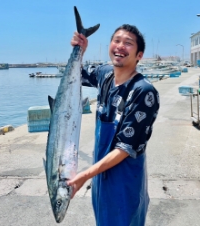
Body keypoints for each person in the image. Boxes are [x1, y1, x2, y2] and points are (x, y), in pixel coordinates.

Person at [67, 24, 160, 226]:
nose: (120, 46)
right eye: (116, 40)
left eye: (128, 43)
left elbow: (124, 149)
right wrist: (79, 50)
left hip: (124, 181)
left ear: (139, 55)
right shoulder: (105, 74)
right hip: (101, 177)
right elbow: (78, 75)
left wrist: (84, 175)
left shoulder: (143, 92)